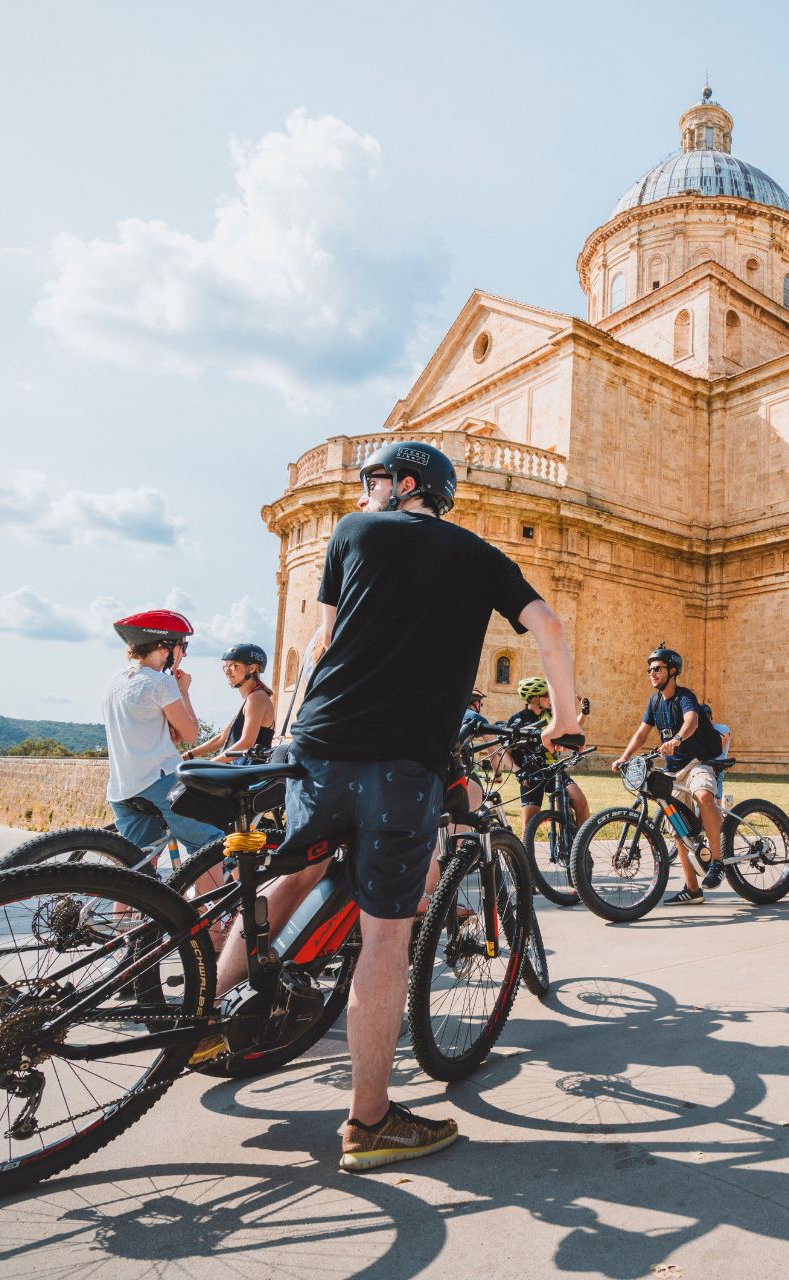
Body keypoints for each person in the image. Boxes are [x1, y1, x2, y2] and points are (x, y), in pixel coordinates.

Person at [214, 439, 581, 1172]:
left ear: (404, 483)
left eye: (372, 481)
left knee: (292, 876)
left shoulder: (350, 534)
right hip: (402, 762)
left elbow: (318, 644)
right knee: (387, 936)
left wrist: (288, 734)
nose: (360, 495)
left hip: (319, 745)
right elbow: (549, 627)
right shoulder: (477, 555)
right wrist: (564, 715)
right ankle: (369, 1121)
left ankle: (203, 1016)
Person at [102, 609, 225, 858]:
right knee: (209, 847)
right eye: (182, 645)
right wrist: (184, 691)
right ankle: (208, 898)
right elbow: (190, 734)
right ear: (164, 647)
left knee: (138, 865)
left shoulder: (115, 681)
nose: (185, 653)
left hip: (122, 787)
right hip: (160, 781)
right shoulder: (160, 682)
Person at [611, 646, 725, 904]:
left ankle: (717, 862)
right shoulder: (654, 702)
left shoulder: (685, 696)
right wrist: (624, 757)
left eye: (657, 668)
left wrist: (676, 738)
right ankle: (693, 889)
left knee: (704, 795)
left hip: (697, 763)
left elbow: (692, 721)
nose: (652, 673)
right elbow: (642, 733)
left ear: (672, 671)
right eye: (649, 669)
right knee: (677, 830)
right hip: (673, 771)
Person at [507, 676, 589, 835]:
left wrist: (584, 713)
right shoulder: (517, 720)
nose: (550, 698)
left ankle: (581, 848)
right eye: (546, 695)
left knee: (580, 802)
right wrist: (517, 771)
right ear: (534, 699)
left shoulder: (551, 715)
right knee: (529, 825)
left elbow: (570, 729)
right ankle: (524, 859)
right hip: (531, 774)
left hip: (554, 770)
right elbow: (507, 751)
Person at [185, 643, 275, 762]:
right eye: (225, 667)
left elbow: (246, 743)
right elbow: (222, 738)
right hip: (242, 771)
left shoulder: (257, 698)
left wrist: (210, 765)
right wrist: (188, 755)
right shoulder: (248, 698)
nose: (227, 672)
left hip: (253, 774)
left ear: (252, 668)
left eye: (233, 666)